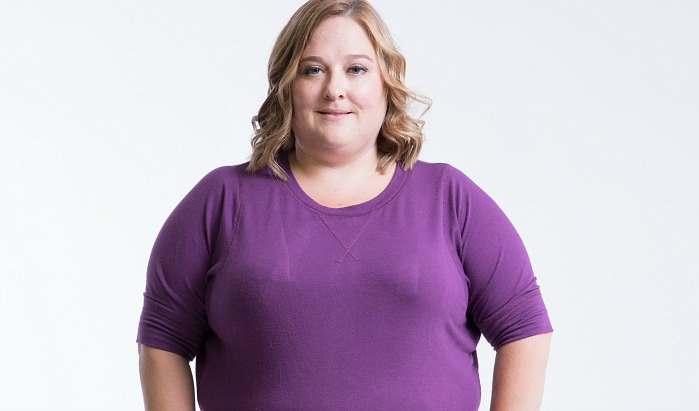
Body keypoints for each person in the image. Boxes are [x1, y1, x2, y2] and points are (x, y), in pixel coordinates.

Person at [137, 0, 553, 410]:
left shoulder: (449, 197)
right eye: (313, 69)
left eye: (356, 69)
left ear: (386, 83)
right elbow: (162, 340)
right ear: (286, 85)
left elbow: (524, 328)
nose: (335, 89)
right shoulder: (223, 200)